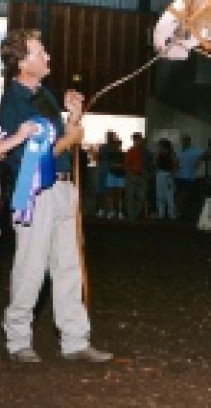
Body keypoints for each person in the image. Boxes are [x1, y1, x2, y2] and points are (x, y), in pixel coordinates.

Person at [0, 28, 112, 363]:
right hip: (34, 193)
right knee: (31, 267)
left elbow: (61, 140)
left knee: (69, 266)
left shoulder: (45, 95)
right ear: (22, 62)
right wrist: (69, 139)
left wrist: (74, 115)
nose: (48, 57)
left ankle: (75, 340)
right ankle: (18, 340)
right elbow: (25, 157)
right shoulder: (12, 102)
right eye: (40, 52)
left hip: (63, 189)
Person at [174, 134, 204, 221]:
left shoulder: (191, 151)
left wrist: (199, 160)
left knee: (182, 195)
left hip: (185, 177)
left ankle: (179, 211)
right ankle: (180, 211)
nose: (184, 142)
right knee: (183, 195)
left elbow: (206, 154)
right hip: (183, 177)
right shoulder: (181, 151)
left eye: (185, 140)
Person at [124, 132, 146, 221]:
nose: (140, 141)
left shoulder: (143, 152)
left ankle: (136, 215)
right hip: (132, 175)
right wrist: (129, 175)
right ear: (135, 140)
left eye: (141, 139)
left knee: (141, 196)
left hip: (141, 176)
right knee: (131, 196)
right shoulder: (130, 151)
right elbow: (126, 165)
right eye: (139, 139)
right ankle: (131, 216)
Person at [155, 138, 177, 219]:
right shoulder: (158, 154)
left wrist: (172, 175)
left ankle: (171, 214)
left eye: (160, 145)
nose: (159, 147)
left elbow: (175, 165)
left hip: (167, 175)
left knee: (169, 195)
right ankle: (161, 213)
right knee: (160, 195)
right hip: (160, 174)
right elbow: (156, 165)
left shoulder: (171, 154)